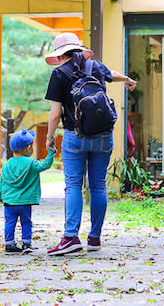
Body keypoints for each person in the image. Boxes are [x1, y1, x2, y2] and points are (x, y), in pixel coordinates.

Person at [43, 32, 136, 255]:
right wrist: (128, 80)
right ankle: (94, 238)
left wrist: (49, 138)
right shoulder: (94, 66)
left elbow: (55, 114)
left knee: (74, 185)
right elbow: (111, 74)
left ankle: (71, 238)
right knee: (98, 186)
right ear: (78, 49)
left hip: (75, 136)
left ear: (60, 54)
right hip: (104, 135)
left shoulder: (59, 74)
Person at [0, 129, 56, 253]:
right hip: (25, 202)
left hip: (9, 202)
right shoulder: (31, 164)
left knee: (9, 223)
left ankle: (9, 244)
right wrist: (51, 153)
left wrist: (0, 196)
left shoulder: (7, 164)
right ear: (29, 147)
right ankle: (26, 244)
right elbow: (45, 165)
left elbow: (2, 181)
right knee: (26, 222)